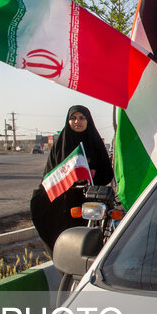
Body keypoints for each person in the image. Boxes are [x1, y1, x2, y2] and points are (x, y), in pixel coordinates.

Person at [30, 106, 114, 251]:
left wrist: (88, 177)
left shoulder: (96, 143)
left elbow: (106, 173)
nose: (77, 122)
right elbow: (51, 174)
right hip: (65, 201)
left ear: (88, 120)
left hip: (90, 201)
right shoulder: (60, 145)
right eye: (73, 118)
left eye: (82, 118)